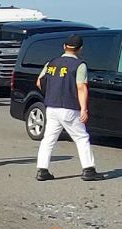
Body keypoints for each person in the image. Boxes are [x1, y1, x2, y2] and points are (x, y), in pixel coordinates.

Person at [34, 34, 101, 181]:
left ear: (64, 46)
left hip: (51, 106)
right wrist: (84, 109)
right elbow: (81, 87)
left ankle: (42, 170)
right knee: (81, 137)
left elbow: (39, 81)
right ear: (80, 49)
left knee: (48, 139)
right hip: (70, 107)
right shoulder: (79, 65)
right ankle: (88, 170)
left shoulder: (51, 63)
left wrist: (51, 91)